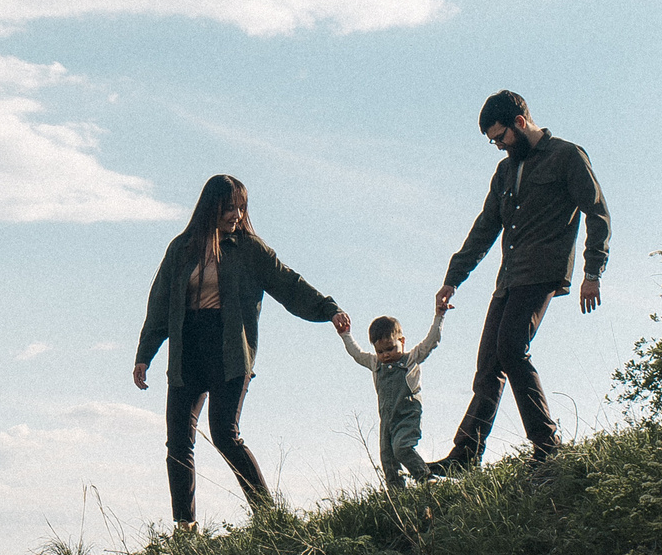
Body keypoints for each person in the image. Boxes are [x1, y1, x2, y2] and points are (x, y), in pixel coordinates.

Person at [135, 174, 352, 525]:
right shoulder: (182, 248)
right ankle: (185, 528)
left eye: (241, 207)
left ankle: (269, 519)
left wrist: (329, 309)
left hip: (230, 350)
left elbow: (289, 283)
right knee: (177, 442)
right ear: (211, 208)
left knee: (223, 433)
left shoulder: (250, 250)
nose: (236, 214)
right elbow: (160, 302)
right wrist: (145, 354)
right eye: (228, 207)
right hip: (188, 349)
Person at [432, 91, 610, 470]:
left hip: (542, 271)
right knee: (489, 363)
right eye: (492, 142)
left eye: (501, 137)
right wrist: (454, 277)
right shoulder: (505, 172)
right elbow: (485, 228)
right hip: (509, 278)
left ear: (520, 122)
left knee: (512, 347)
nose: (498, 146)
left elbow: (597, 213)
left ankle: (547, 444)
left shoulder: (566, 156)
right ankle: (465, 456)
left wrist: (591, 273)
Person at [337, 309, 446, 489]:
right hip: (386, 419)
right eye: (380, 351)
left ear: (402, 342)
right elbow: (356, 354)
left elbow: (431, 341)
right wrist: (345, 334)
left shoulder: (410, 359)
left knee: (401, 448)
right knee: (387, 458)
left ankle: (426, 478)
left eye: (390, 348)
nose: (385, 355)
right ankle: (397, 495)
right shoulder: (375, 364)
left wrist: (439, 316)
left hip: (407, 415)